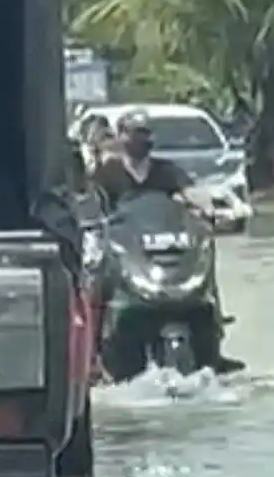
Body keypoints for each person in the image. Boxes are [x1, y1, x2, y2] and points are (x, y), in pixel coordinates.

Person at [92, 110, 245, 374]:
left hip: (164, 245)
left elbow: (191, 192)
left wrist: (208, 208)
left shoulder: (166, 170)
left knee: (205, 251)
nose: (141, 139)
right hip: (124, 248)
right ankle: (93, 350)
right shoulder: (108, 174)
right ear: (121, 136)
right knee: (95, 271)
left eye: (145, 133)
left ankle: (214, 335)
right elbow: (91, 203)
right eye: (135, 133)